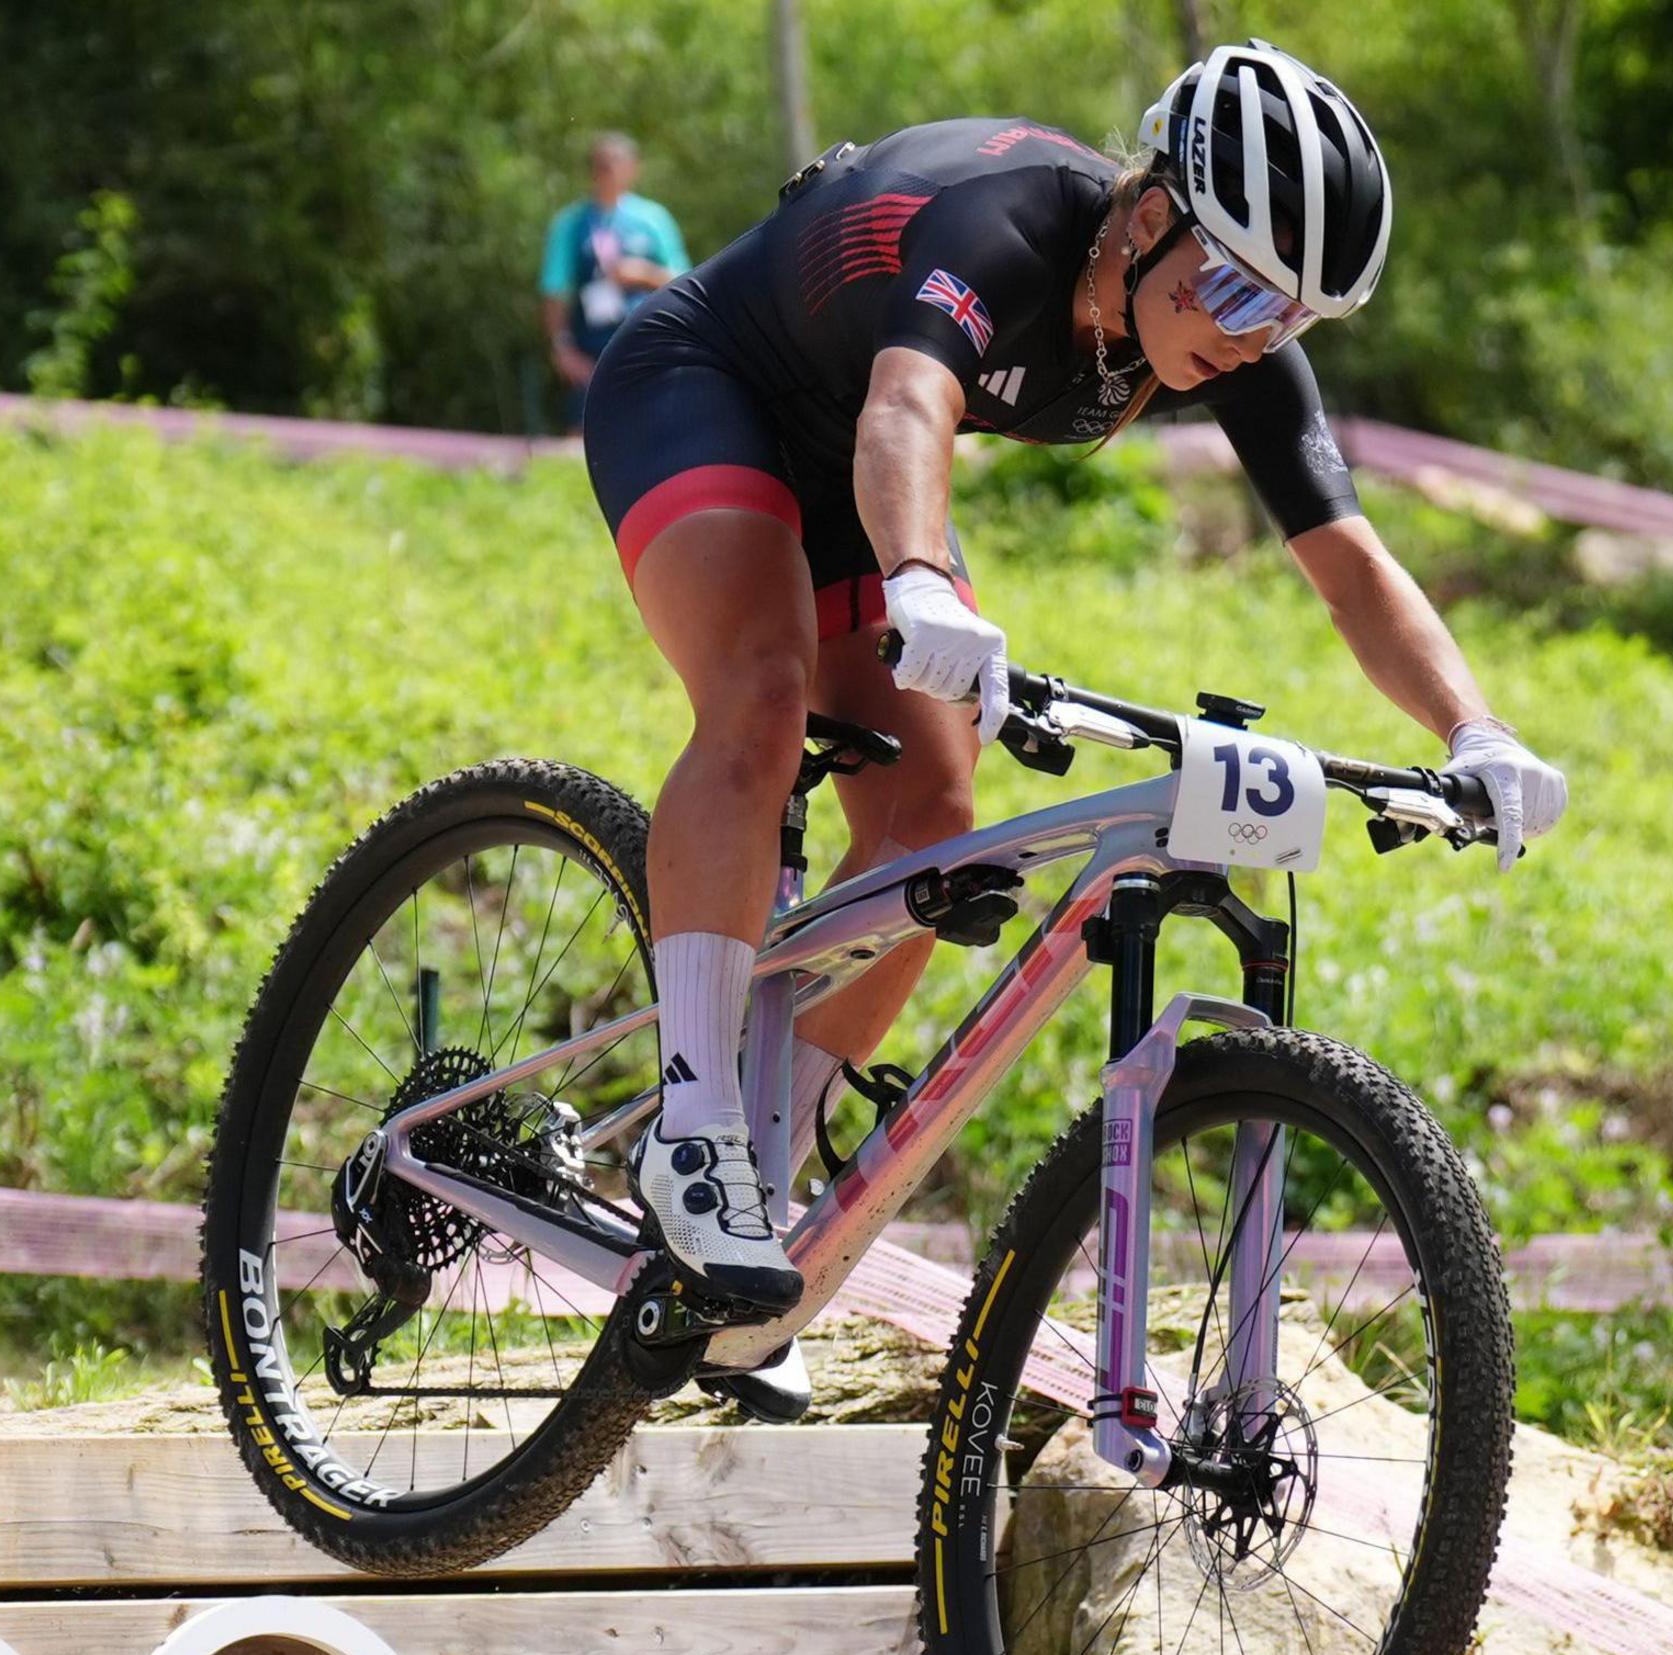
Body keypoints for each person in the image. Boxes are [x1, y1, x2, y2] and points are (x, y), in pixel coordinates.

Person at [584, 42, 1574, 1351]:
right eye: (1231, 286)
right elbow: (907, 403)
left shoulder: (1229, 341)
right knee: (761, 696)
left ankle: (769, 1166)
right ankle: (695, 1134)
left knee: (936, 813)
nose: (1243, 334)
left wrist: (1476, 728)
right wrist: (924, 580)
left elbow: (1350, 566)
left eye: (1285, 319)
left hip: (858, 468)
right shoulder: (1007, 227)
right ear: (1152, 213)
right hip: (709, 391)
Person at [539, 133, 690, 430]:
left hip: (647, 345)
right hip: (590, 351)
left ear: (633, 168)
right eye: (600, 165)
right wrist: (562, 350)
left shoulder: (653, 220)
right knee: (584, 436)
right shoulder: (571, 224)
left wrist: (645, 274)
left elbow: (685, 282)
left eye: (614, 163)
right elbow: (553, 292)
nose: (607, 172)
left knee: (654, 433)